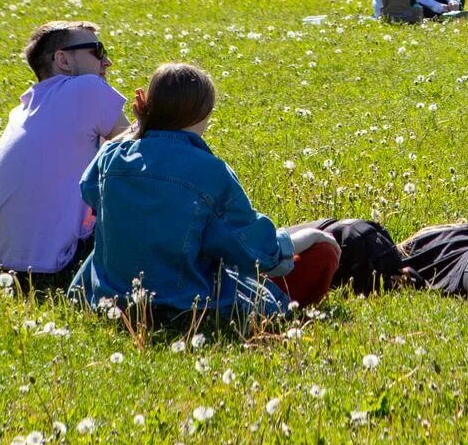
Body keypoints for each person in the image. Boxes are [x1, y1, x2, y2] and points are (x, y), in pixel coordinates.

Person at [70, 63, 339, 329]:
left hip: (107, 299)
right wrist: (311, 236)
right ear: (205, 112)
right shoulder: (210, 172)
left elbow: (88, 189)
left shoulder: (111, 157)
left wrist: (139, 128)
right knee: (322, 253)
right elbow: (261, 254)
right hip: (186, 305)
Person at [0, 22, 127, 292]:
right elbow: (137, 154)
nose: (107, 62)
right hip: (64, 263)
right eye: (97, 51)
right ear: (63, 59)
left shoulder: (22, 109)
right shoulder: (87, 88)